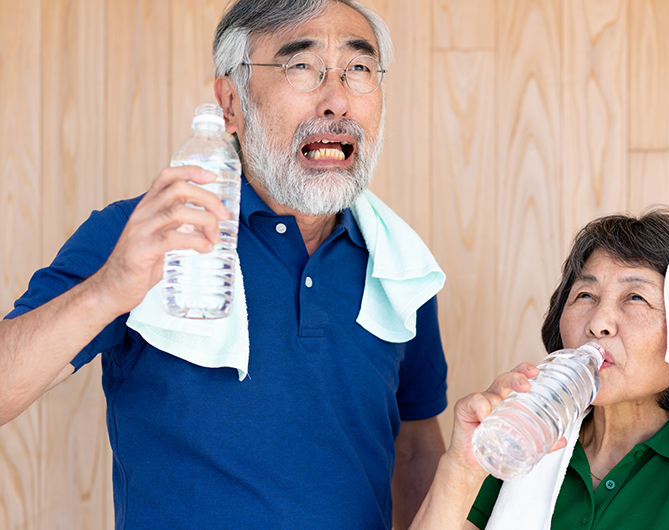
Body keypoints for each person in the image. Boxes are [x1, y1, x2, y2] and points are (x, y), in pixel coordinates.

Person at [0, 1, 447, 529]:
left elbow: (416, 446)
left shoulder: (399, 267)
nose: (337, 100)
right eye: (301, 67)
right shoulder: (145, 234)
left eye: (359, 69)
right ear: (230, 103)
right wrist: (108, 289)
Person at [410, 208, 669, 530]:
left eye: (635, 297)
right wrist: (461, 467)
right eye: (585, 295)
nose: (599, 322)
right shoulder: (525, 444)